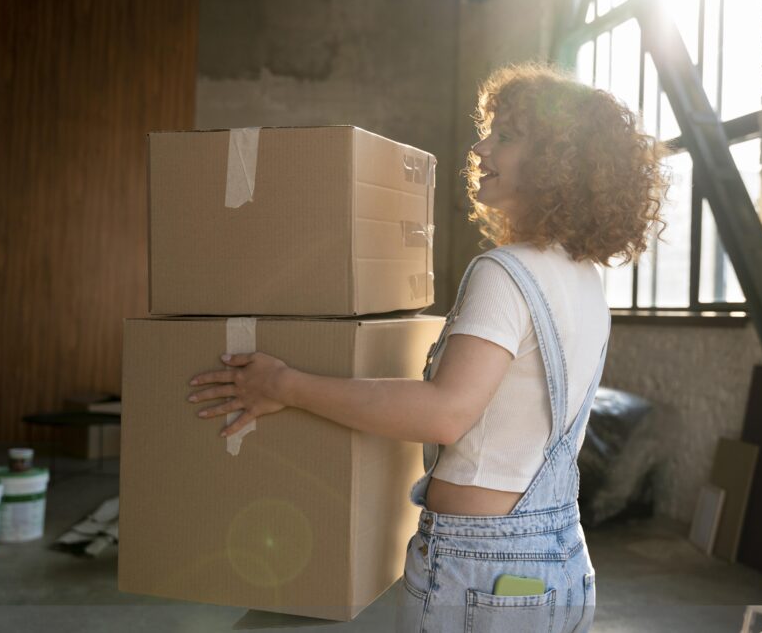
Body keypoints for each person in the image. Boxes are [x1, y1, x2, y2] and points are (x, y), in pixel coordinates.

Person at [187, 61, 667, 632]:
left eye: (507, 136)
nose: (481, 147)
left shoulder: (506, 272)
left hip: (481, 567)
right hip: (559, 556)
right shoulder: (584, 279)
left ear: (557, 165)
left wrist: (283, 385)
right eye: (489, 130)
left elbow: (445, 413)